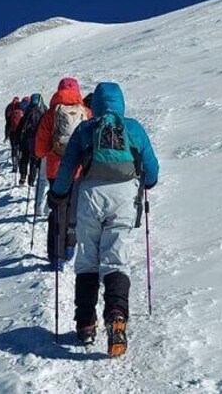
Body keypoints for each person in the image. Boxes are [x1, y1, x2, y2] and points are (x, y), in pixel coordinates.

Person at [48, 82, 159, 356]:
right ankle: (117, 317)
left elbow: (67, 167)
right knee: (116, 259)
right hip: (124, 196)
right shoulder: (133, 128)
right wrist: (148, 182)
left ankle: (85, 324)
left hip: (90, 197)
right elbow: (152, 168)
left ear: (94, 105)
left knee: (87, 259)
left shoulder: (86, 129)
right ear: (121, 103)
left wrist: (58, 194)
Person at [34, 77, 91, 268]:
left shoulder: (50, 115)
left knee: (58, 209)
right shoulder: (86, 112)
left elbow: (39, 151)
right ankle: (70, 246)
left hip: (56, 170)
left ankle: (56, 256)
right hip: (79, 169)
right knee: (74, 209)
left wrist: (52, 151)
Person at [13, 93, 46, 186]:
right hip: (37, 141)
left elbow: (19, 127)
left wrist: (16, 141)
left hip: (25, 141)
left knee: (24, 159)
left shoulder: (27, 111)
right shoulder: (43, 112)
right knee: (34, 161)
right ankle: (31, 180)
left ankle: (23, 176)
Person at [4, 97, 23, 173]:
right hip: (20, 132)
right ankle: (20, 162)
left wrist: (6, 135)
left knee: (14, 148)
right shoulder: (21, 111)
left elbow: (7, 124)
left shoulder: (10, 110)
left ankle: (14, 164)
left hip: (12, 132)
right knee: (20, 147)